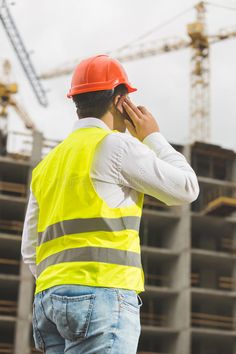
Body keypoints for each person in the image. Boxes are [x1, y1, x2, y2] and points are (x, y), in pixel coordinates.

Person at [21, 54, 199, 354]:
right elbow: (186, 188)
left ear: (77, 101)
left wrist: (63, 284)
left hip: (48, 301)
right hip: (102, 294)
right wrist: (152, 137)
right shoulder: (115, 146)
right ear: (120, 102)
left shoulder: (47, 164)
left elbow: (29, 248)